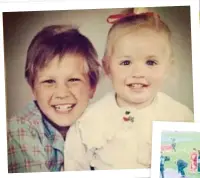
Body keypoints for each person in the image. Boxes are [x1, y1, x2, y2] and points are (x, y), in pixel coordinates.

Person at [64, 8, 193, 170]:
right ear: (107, 67)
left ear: (167, 67)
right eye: (126, 62)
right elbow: (74, 168)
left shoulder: (180, 118)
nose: (138, 73)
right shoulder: (88, 122)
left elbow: (185, 171)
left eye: (151, 62)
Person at [7, 25, 100, 173]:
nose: (62, 94)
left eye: (73, 80)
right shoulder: (21, 129)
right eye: (49, 81)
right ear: (33, 89)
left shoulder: (103, 122)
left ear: (92, 87)